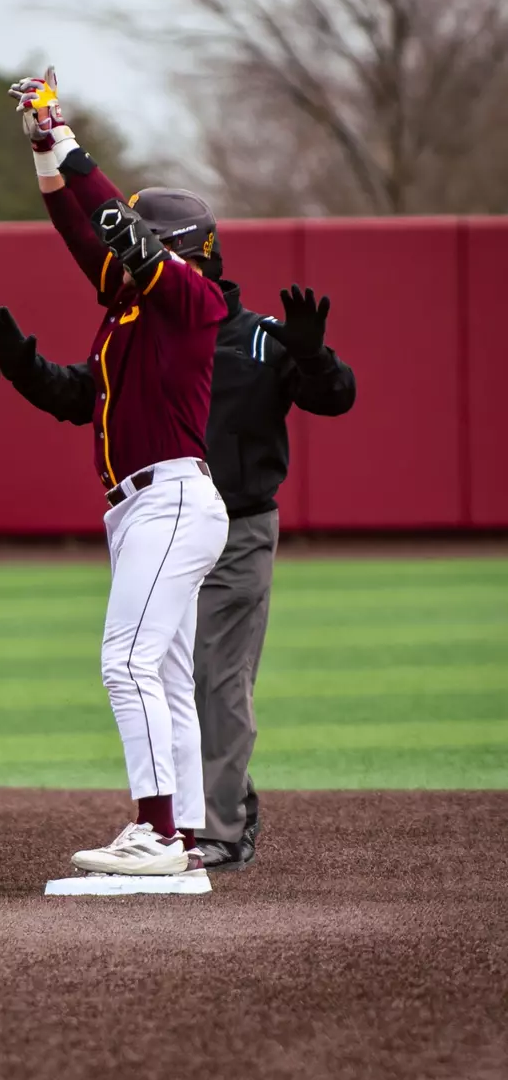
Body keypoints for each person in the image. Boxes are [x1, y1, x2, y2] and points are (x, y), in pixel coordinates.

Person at [0, 68, 229, 885]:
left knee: (126, 664)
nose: (117, 251)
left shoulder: (190, 299)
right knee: (165, 675)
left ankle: (154, 832)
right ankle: (180, 832)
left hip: (172, 500)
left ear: (166, 248)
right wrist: (44, 152)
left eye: (136, 240)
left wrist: (71, 139)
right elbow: (81, 235)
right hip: (147, 506)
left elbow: (114, 227)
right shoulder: (130, 315)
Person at [194, 279, 356, 870]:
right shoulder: (149, 333)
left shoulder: (260, 339)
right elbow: (84, 395)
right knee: (161, 675)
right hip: (165, 531)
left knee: (218, 677)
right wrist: (28, 369)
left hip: (238, 529)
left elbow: (336, 396)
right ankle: (206, 810)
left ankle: (223, 828)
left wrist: (312, 353)